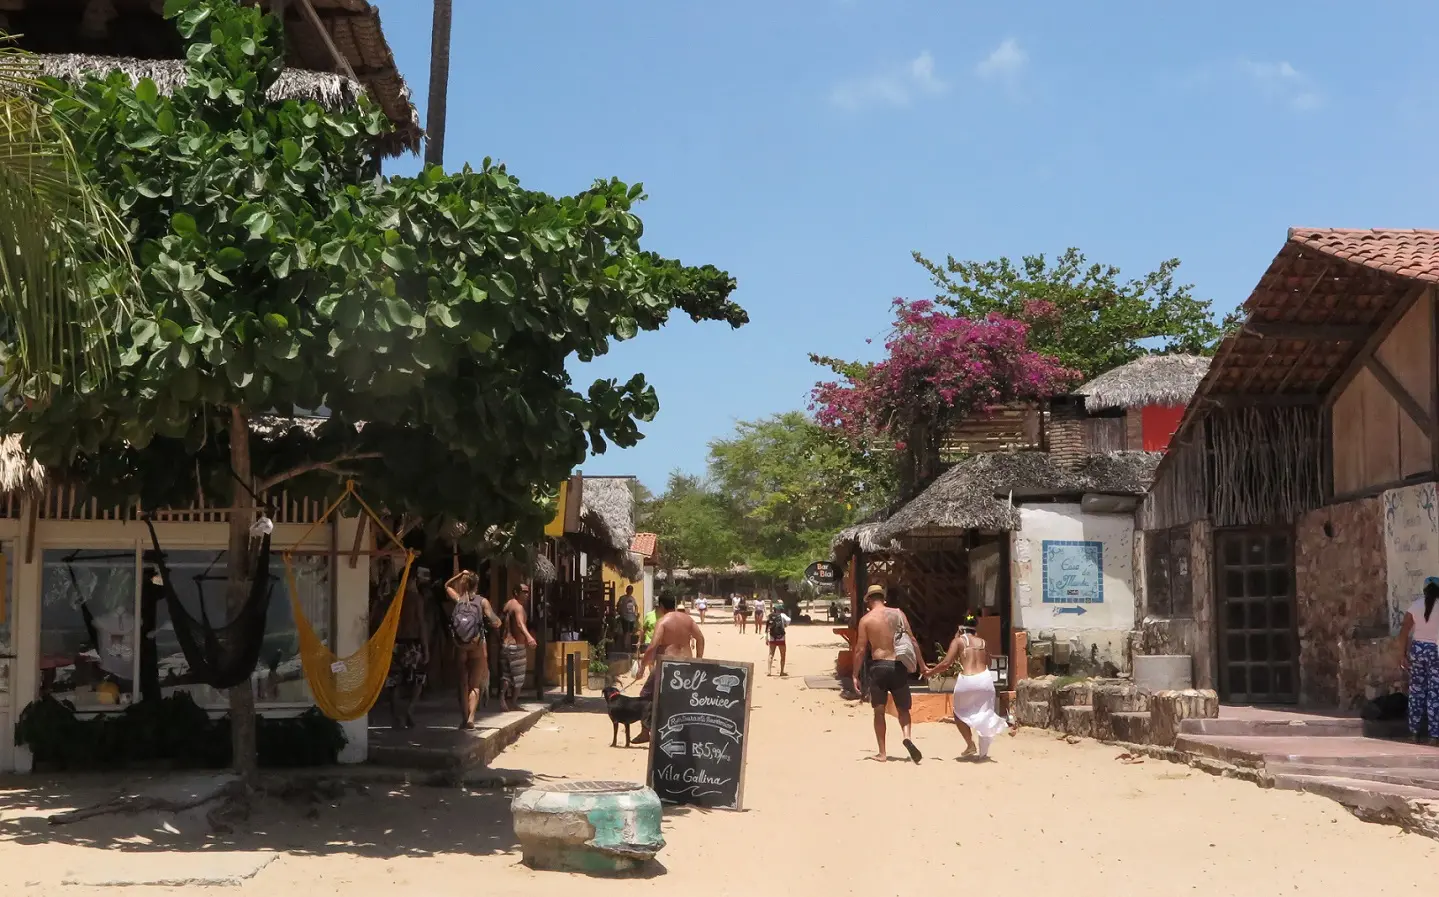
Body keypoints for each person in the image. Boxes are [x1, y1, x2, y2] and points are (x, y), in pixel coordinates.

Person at [852, 584, 924, 762]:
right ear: (883, 599)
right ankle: (906, 737)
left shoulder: (866, 620)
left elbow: (860, 649)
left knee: (879, 711)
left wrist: (854, 674)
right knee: (903, 709)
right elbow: (912, 641)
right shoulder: (898, 614)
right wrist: (922, 665)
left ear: (869, 600)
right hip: (898, 666)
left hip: (879, 667)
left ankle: (882, 753)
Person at [928, 615, 1009, 759]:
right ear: (975, 628)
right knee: (985, 714)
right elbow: (989, 663)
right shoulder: (983, 642)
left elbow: (947, 663)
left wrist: (931, 672)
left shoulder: (959, 641)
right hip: (985, 679)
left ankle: (970, 744)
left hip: (967, 680)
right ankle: (983, 753)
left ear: (961, 628)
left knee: (959, 713)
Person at [632, 593, 705, 745]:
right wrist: (698, 660)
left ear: (661, 606)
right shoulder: (688, 619)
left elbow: (652, 647)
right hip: (687, 663)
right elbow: (700, 639)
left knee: (646, 695)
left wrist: (642, 667)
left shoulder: (663, 622)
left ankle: (646, 731)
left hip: (667, 665)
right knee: (683, 698)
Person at [446, 570, 500, 730]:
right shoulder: (482, 602)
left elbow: (446, 585)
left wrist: (459, 574)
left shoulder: (458, 599)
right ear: (477, 585)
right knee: (474, 684)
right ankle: (471, 719)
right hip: (476, 645)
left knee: (462, 683)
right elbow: (494, 621)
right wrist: (496, 622)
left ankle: (463, 718)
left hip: (461, 645)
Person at [385, 567, 432, 729]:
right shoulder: (416, 599)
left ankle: (396, 717)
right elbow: (421, 624)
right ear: (412, 580)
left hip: (395, 643)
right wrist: (426, 648)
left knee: (394, 682)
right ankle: (410, 709)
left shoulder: (393, 599)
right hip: (413, 643)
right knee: (418, 680)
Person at [1400, 577, 1439, 742]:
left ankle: (1413, 733)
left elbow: (1404, 632)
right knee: (1434, 693)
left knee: (1416, 692)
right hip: (1436, 651)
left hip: (1418, 651)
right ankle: (1434, 736)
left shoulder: (1415, 606)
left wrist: (1402, 655)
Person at [500, 583, 538, 712]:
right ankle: (513, 703)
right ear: (516, 592)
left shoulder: (507, 605)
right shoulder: (518, 607)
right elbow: (520, 624)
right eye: (524, 592)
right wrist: (529, 637)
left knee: (506, 675)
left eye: (528, 592)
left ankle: (502, 699)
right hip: (517, 646)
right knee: (519, 677)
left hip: (505, 645)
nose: (527, 595)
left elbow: (499, 623)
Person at [766, 602, 791, 676]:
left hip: (772, 637)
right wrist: (785, 625)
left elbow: (767, 627)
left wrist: (766, 637)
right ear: (780, 609)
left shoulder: (770, 615)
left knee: (771, 654)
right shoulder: (782, 615)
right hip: (781, 638)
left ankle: (769, 671)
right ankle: (782, 671)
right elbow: (789, 620)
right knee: (783, 655)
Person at [617, 585, 639, 653]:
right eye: (629, 589)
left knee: (631, 632)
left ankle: (628, 646)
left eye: (631, 590)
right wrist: (620, 612)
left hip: (631, 618)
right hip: (625, 617)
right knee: (625, 632)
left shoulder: (632, 598)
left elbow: (636, 606)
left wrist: (635, 613)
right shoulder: (622, 598)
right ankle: (625, 646)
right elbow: (618, 605)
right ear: (626, 590)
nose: (630, 591)